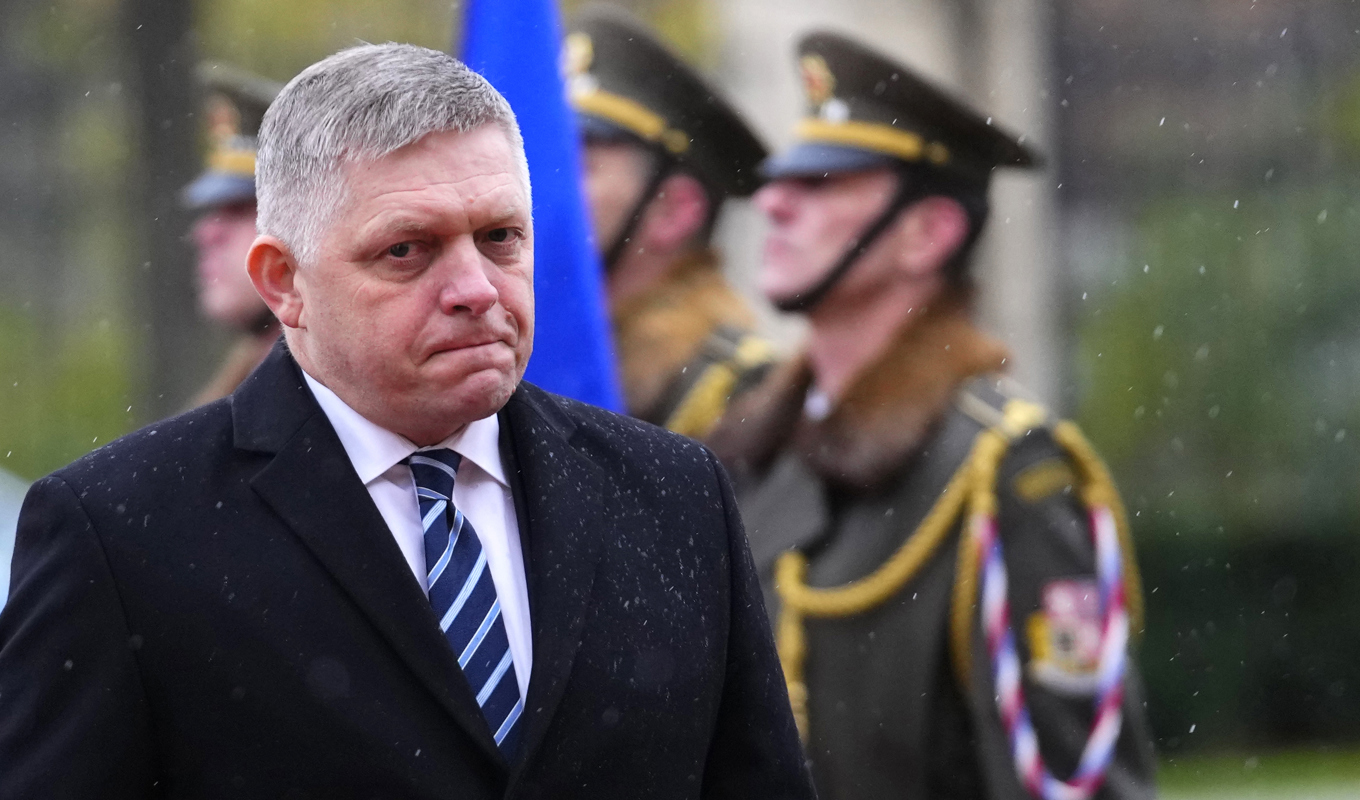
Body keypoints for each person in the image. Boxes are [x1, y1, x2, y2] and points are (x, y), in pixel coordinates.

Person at [0, 44, 813, 800]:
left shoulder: (672, 494)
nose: (476, 288)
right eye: (407, 251)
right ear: (283, 282)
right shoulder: (120, 533)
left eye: (500, 238)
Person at [710, 32, 1157, 800]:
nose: (774, 202)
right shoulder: (753, 452)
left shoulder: (1006, 473)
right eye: (781, 179)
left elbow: (1073, 786)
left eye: (819, 182)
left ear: (929, 233)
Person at [567, 6, 775, 438]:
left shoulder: (740, 397)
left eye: (579, 166)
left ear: (674, 212)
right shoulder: (545, 354)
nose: (540, 185)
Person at [182, 63, 283, 406]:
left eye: (240, 208)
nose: (206, 233)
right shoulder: (256, 379)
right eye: (212, 211)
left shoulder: (316, 393)